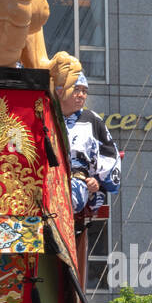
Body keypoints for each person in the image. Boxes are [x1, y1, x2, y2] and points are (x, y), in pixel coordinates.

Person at [59, 72, 121, 214]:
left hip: (77, 181)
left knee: (68, 200)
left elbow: (110, 154)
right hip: (48, 175)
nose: (81, 95)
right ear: (61, 90)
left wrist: (97, 181)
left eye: (84, 91)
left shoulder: (92, 119)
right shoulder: (47, 115)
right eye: (76, 89)